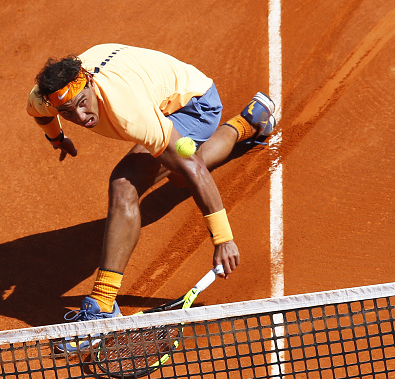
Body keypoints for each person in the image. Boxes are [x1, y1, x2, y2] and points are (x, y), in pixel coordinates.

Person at [26, 44, 275, 352]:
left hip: (193, 104)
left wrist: (223, 239)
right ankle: (249, 121)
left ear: (89, 82)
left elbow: (193, 165)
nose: (80, 116)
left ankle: (103, 304)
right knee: (178, 177)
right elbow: (40, 112)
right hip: (156, 93)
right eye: (67, 113)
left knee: (134, 182)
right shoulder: (48, 95)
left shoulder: (128, 110)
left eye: (82, 103)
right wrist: (57, 136)